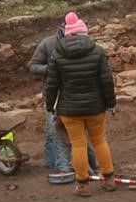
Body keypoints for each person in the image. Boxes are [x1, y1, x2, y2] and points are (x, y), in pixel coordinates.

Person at [43, 12, 117, 197]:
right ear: (84, 32)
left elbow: (51, 84)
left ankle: (82, 185)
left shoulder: (57, 54)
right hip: (95, 107)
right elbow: (106, 81)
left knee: (78, 145)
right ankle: (109, 179)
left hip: (69, 109)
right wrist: (111, 103)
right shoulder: (97, 51)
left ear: (67, 33)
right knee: (100, 141)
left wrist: (50, 107)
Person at [30, 14, 98, 186]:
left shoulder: (83, 43)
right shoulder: (47, 43)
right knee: (54, 130)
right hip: (54, 94)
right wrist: (51, 69)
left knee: (75, 133)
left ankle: (88, 164)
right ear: (61, 28)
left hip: (71, 94)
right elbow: (32, 65)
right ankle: (58, 164)